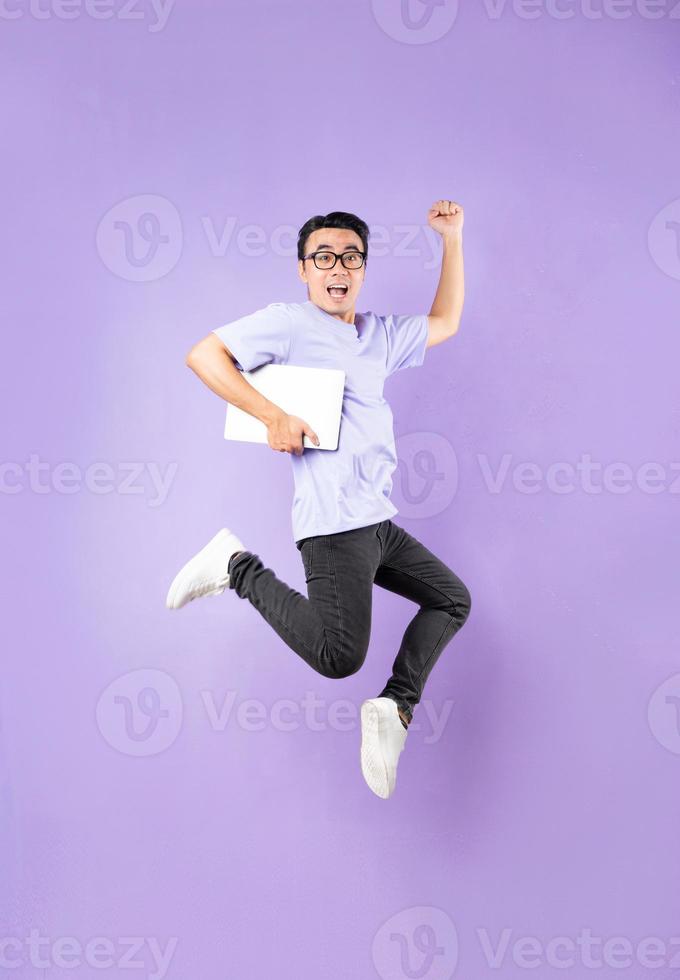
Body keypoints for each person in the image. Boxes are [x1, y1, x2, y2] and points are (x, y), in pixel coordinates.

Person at [166, 201, 471, 799]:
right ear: (304, 270)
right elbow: (203, 355)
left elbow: (447, 321)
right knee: (337, 657)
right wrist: (272, 414)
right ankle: (235, 566)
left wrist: (453, 239)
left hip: (378, 523)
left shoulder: (378, 335)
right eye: (324, 257)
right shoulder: (290, 323)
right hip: (335, 526)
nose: (338, 267)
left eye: (351, 257)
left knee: (451, 600)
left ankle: (395, 708)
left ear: (363, 269)